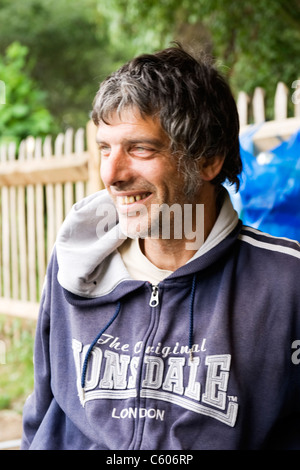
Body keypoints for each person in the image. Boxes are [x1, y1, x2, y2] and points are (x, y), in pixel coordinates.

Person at [21, 44, 300, 450]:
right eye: (105, 148)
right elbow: (42, 412)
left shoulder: (285, 284)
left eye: (140, 149)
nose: (112, 175)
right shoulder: (76, 263)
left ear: (208, 160)